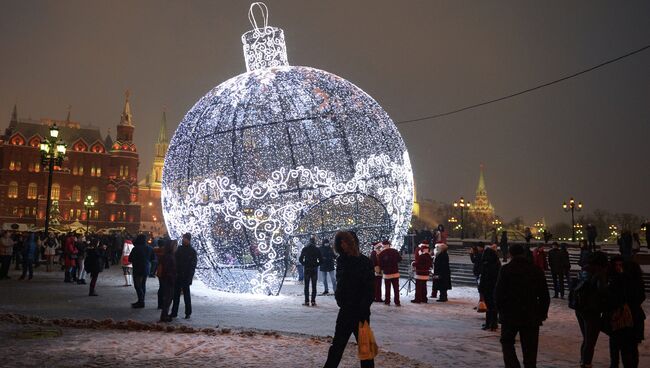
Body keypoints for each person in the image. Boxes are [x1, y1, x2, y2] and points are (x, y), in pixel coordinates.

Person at [323, 231, 375, 368]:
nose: (342, 245)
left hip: (360, 313)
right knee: (337, 347)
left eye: (345, 241)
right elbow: (340, 283)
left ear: (352, 243)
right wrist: (340, 299)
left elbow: (370, 289)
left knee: (365, 349)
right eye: (340, 242)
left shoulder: (365, 262)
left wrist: (363, 307)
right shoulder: (342, 260)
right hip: (346, 311)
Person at [495, 244, 550, 368]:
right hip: (531, 314)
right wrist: (542, 313)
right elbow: (544, 295)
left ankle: (512, 365)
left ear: (510, 254)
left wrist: (501, 311)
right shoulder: (535, 270)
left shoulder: (506, 270)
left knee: (507, 343)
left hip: (510, 314)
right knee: (530, 348)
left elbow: (498, 293)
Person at [602, 256, 646, 368]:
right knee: (630, 349)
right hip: (634, 318)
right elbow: (641, 297)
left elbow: (611, 299)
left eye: (621, 266)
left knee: (623, 348)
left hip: (622, 319)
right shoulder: (636, 282)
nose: (619, 268)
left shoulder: (620, 281)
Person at [571, 251, 608, 368]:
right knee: (590, 340)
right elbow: (602, 290)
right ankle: (586, 363)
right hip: (592, 309)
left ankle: (583, 361)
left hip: (580, 308)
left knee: (586, 338)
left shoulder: (583, 270)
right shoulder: (599, 272)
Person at [171, 233, 197, 319]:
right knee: (176, 295)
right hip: (178, 275)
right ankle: (174, 312)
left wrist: (190, 277)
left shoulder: (192, 251)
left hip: (186, 276)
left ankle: (188, 313)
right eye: (183, 238)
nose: (183, 240)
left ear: (188, 240)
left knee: (186, 296)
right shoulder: (180, 249)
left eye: (185, 238)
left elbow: (193, 266)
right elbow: (175, 261)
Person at [479, 243, 501, 331]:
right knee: (493, 307)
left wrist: (481, 288)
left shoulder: (486, 264)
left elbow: (484, 277)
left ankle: (489, 323)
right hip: (495, 288)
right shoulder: (497, 263)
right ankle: (493, 323)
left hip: (488, 288)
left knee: (489, 306)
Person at [128, 234, 153, 308]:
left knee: (137, 285)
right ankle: (141, 300)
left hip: (137, 268)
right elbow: (153, 258)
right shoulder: (149, 248)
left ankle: (141, 301)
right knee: (143, 284)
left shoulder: (136, 248)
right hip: (146, 268)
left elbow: (130, 259)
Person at [299, 236, 322, 306]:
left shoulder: (305, 249)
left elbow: (300, 259)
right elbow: (321, 260)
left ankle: (306, 301)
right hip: (314, 268)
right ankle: (313, 301)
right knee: (314, 286)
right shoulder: (317, 249)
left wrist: (304, 264)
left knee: (306, 286)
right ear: (314, 242)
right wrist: (316, 264)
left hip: (307, 268)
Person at [159, 239, 177, 322]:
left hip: (167, 279)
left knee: (168, 298)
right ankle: (164, 315)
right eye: (175, 246)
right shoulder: (169, 256)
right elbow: (168, 269)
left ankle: (164, 314)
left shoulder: (168, 255)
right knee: (168, 298)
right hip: (168, 279)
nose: (176, 248)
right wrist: (172, 278)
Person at [379, 240, 401, 306]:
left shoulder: (381, 253)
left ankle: (387, 301)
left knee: (387, 288)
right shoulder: (395, 251)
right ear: (389, 245)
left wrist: (382, 269)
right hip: (395, 272)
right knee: (396, 289)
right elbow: (400, 259)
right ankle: (397, 302)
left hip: (387, 273)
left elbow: (381, 264)